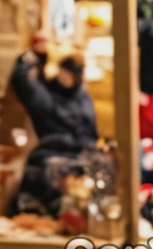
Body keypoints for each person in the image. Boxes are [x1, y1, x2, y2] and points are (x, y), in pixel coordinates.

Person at [10, 34, 98, 216]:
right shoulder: (46, 97)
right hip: (51, 156)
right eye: (64, 72)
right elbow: (20, 79)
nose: (66, 78)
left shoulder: (83, 99)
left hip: (82, 157)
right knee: (53, 174)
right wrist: (33, 55)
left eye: (71, 74)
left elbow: (91, 133)